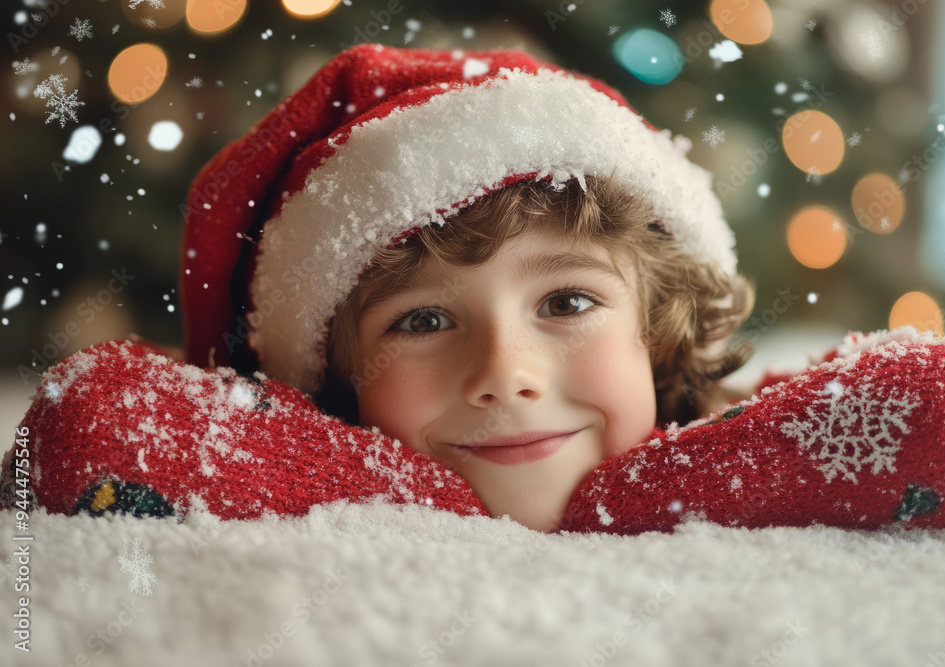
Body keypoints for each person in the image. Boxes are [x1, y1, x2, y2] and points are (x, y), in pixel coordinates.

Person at [178, 44, 756, 531]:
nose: (505, 376)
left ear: (662, 332)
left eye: (566, 303)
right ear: (333, 385)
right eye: (423, 320)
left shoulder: (771, 468)